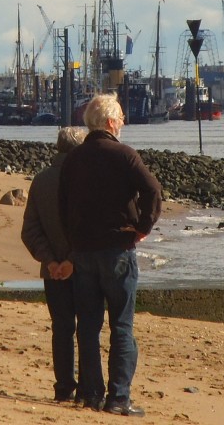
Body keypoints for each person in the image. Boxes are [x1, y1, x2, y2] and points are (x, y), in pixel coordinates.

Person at [59, 93, 162, 417]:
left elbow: (63, 206)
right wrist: (143, 226)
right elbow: (153, 190)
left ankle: (90, 393)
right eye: (119, 119)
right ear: (109, 122)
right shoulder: (124, 155)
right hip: (117, 249)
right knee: (121, 326)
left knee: (88, 326)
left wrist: (72, 240)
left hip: (84, 252)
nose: (123, 124)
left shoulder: (73, 159)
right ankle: (118, 398)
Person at [21, 126, 88, 402]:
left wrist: (50, 261)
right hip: (84, 268)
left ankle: (63, 387)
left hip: (52, 271)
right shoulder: (86, 182)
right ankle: (88, 386)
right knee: (87, 327)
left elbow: (30, 230)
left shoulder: (41, 180)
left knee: (61, 328)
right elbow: (90, 229)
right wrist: (71, 260)